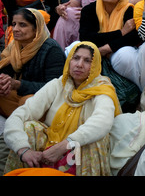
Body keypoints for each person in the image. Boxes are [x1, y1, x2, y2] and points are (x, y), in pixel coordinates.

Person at [2, 41, 121, 176]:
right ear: (69, 60)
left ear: (95, 66)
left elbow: (102, 122)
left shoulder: (102, 89)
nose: (79, 64)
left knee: (93, 140)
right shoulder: (58, 84)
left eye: (87, 61)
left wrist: (66, 144)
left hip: (79, 153)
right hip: (50, 146)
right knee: (29, 127)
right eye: (75, 58)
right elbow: (21, 114)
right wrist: (22, 149)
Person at [79, 0, 141, 111]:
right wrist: (120, 33)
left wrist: (106, 48)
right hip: (96, 50)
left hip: (116, 54)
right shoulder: (89, 10)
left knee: (126, 54)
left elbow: (133, 37)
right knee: (73, 49)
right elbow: (86, 37)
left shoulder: (128, 9)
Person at [0, 8, 65, 118]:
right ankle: (18, 121)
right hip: (22, 95)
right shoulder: (15, 46)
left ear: (36, 28)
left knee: (27, 102)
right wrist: (3, 81)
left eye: (22, 25)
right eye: (14, 24)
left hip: (47, 100)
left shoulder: (51, 50)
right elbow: (6, 71)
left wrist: (18, 85)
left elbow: (55, 87)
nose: (15, 29)